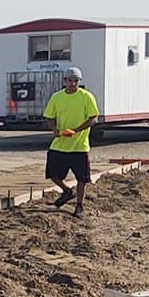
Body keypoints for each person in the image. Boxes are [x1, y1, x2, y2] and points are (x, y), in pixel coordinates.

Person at [42, 69, 99, 216]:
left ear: (79, 82)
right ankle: (67, 191)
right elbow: (49, 117)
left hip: (79, 146)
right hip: (60, 143)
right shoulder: (57, 97)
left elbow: (94, 118)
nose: (73, 83)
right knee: (52, 173)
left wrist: (77, 130)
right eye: (70, 80)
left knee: (82, 178)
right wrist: (55, 130)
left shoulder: (86, 97)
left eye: (76, 81)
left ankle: (79, 206)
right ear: (64, 81)